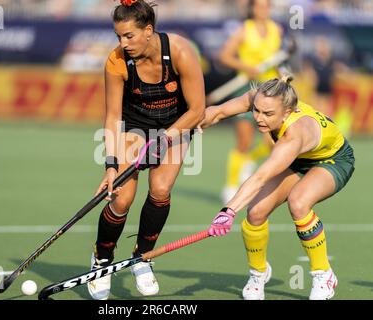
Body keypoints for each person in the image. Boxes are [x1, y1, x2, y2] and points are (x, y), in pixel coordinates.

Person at [198, 75, 355, 300]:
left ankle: (323, 274)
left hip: (333, 159)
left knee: (299, 202)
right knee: (255, 212)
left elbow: (261, 177)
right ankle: (258, 273)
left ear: (287, 112)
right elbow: (218, 112)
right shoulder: (259, 98)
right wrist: (185, 127)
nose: (259, 119)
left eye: (268, 114)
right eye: (256, 111)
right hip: (297, 159)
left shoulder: (294, 135)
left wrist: (228, 210)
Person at [88, 0, 205, 300]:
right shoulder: (116, 62)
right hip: (134, 126)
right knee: (122, 197)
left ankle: (142, 257)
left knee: (161, 189)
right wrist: (111, 166)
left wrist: (165, 138)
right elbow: (113, 116)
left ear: (148, 30)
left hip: (176, 124)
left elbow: (197, 110)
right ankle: (102, 260)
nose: (122, 44)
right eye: (118, 37)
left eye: (128, 36)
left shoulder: (180, 51)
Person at [218, 0, 283, 203]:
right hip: (248, 88)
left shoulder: (276, 30)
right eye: (259, 6)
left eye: (266, 6)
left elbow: (279, 60)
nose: (263, 10)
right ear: (252, 9)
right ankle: (230, 186)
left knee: (273, 143)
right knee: (244, 141)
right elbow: (225, 56)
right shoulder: (243, 30)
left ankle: (250, 161)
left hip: (271, 90)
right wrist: (247, 67)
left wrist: (285, 77)